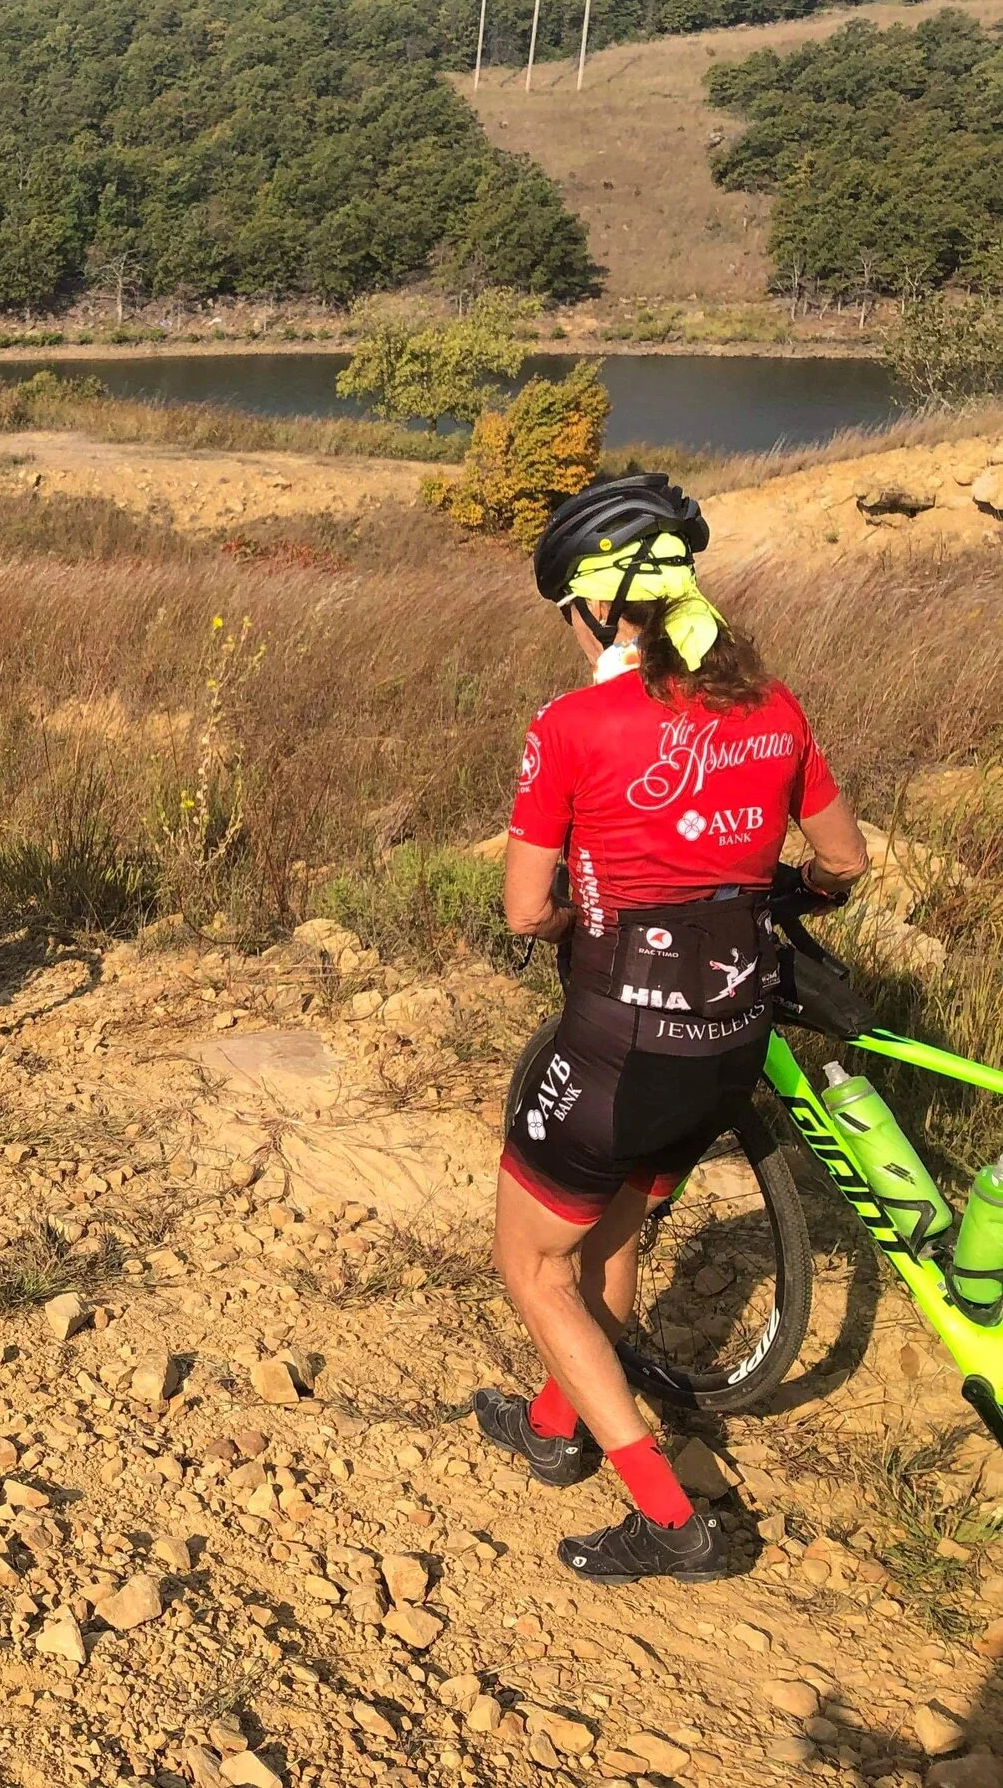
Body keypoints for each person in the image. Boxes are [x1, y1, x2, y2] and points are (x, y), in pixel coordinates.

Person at [477, 474, 868, 1582]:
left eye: (567, 610)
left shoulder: (570, 724)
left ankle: (671, 1519)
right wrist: (774, 894)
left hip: (616, 1046)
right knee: (611, 1239)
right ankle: (557, 1431)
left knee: (535, 1269)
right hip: (732, 1040)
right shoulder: (774, 705)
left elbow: (523, 908)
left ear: (600, 609)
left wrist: (576, 920)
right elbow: (843, 862)